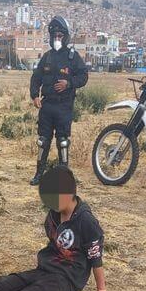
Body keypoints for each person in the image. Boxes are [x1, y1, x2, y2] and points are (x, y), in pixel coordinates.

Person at [29, 16, 89, 185]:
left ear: (65, 37)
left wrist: (69, 83)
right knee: (43, 141)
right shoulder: (46, 57)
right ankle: (39, 174)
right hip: (47, 106)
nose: (57, 39)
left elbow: (84, 76)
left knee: (62, 142)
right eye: (54, 36)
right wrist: (34, 95)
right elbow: (36, 78)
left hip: (64, 106)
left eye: (60, 36)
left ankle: (63, 177)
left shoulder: (73, 57)